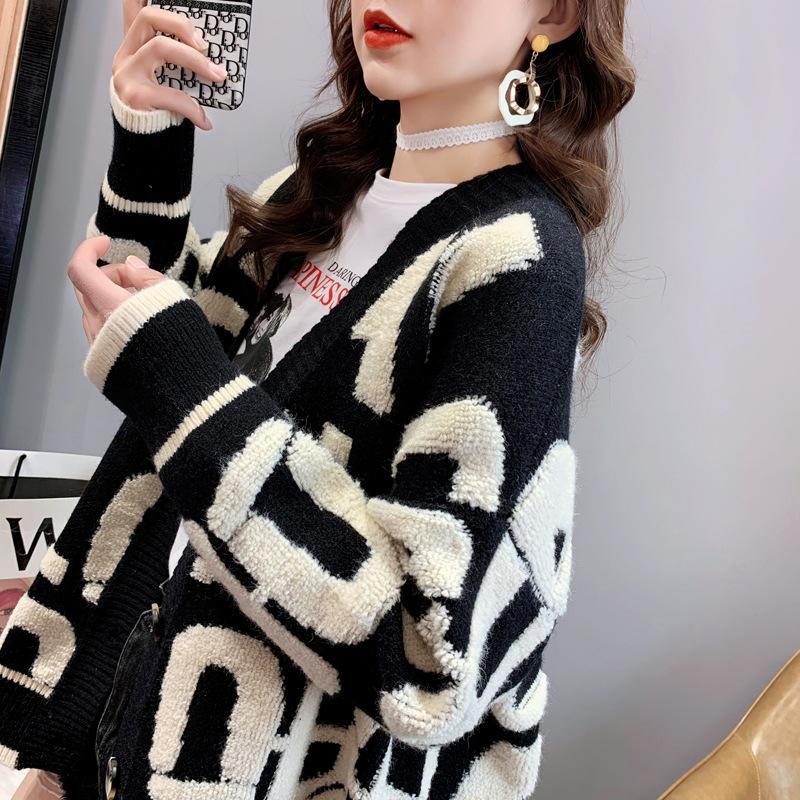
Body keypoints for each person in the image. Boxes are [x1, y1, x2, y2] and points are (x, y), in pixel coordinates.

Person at [0, 0, 635, 797]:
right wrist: (147, 148)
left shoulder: (518, 261)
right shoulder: (322, 191)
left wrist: (181, 380)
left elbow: (428, 655)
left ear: (559, 12)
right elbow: (165, 362)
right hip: (114, 729)